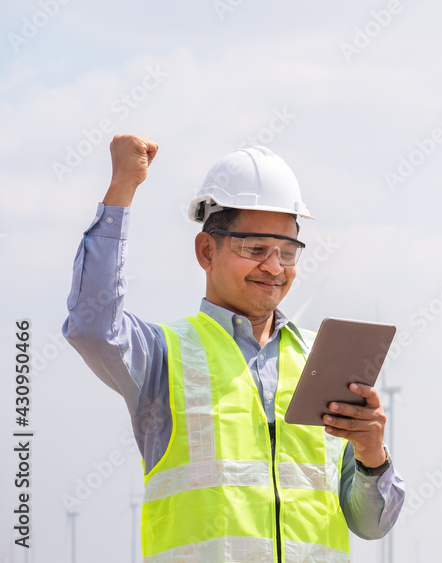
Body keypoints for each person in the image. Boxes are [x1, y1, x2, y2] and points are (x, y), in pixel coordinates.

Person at [63, 134, 404, 562]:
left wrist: (372, 458)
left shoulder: (324, 360)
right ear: (207, 250)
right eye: (255, 248)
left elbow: (371, 526)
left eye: (287, 251)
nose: (274, 267)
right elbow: (91, 326)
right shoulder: (163, 356)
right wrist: (121, 192)